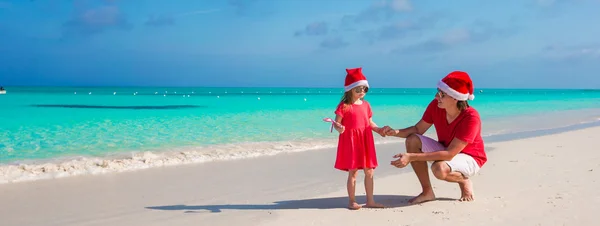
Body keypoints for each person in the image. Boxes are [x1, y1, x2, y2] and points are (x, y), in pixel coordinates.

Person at [382, 71, 487, 204]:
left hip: (471, 157)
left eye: (442, 94)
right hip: (446, 149)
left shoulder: (471, 117)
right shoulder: (436, 106)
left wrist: (411, 157)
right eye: (438, 91)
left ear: (455, 98)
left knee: (439, 169)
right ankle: (427, 192)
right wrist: (394, 132)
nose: (437, 96)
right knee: (412, 139)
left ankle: (463, 180)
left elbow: (449, 154)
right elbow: (418, 129)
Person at [331, 67, 386, 210]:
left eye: (365, 89)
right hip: (352, 142)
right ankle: (352, 201)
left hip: (366, 140)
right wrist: (339, 128)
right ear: (350, 90)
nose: (362, 92)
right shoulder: (344, 106)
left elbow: (370, 122)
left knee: (369, 171)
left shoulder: (366, 105)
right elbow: (337, 124)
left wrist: (379, 129)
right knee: (353, 171)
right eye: (358, 89)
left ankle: (370, 200)